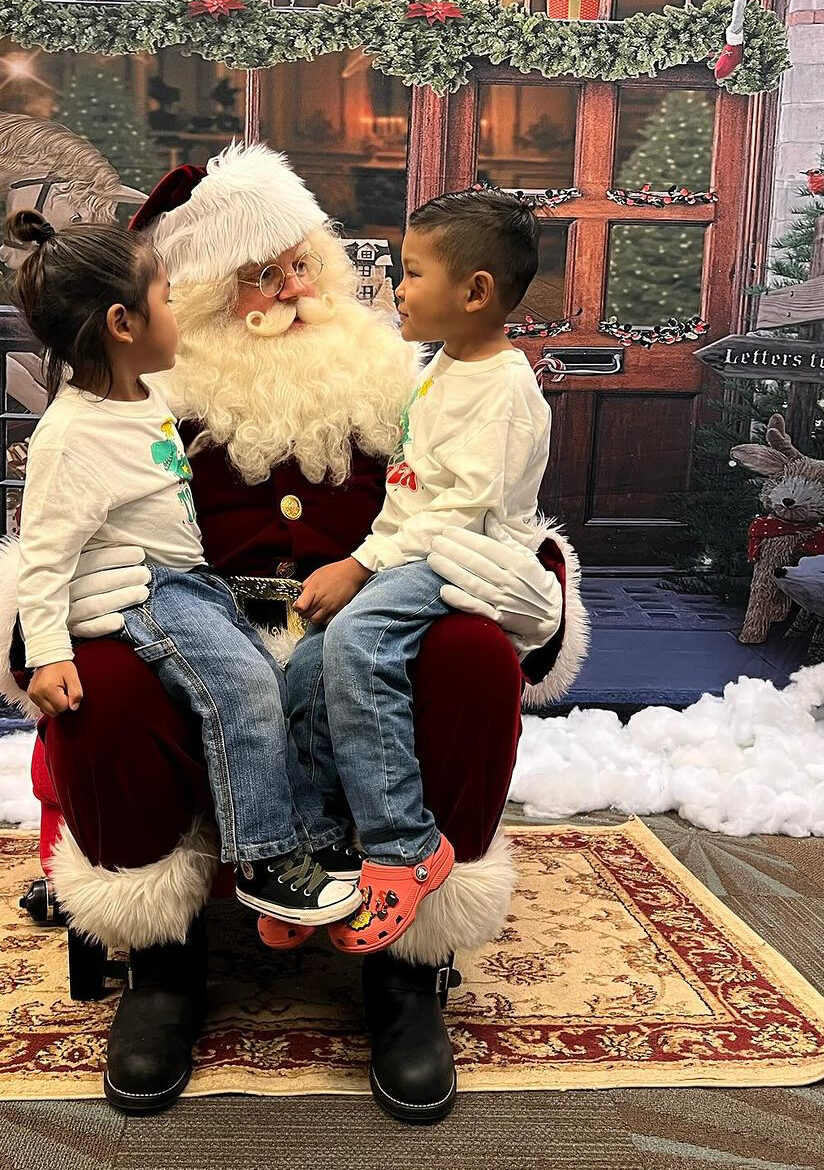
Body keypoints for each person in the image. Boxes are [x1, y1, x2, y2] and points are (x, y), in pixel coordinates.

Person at [0, 143, 589, 1123]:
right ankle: (162, 966)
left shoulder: (404, 380)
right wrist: (37, 627)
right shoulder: (146, 400)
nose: (292, 290)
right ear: (196, 298)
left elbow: (480, 506)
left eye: (301, 263)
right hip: (197, 625)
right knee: (108, 680)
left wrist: (538, 597)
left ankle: (408, 965)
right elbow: (53, 538)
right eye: (259, 277)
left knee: (472, 654)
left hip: (363, 625)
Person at [6, 209, 362, 954]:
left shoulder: (147, 397)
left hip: (196, 586)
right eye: (167, 301)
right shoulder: (72, 436)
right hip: (151, 592)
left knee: (278, 678)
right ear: (122, 324)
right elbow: (41, 555)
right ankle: (265, 860)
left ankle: (313, 837)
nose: (178, 315)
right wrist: (46, 651)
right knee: (244, 687)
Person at [283, 187, 559, 959]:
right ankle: (320, 845)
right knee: (305, 666)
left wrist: (359, 566)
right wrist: (371, 557)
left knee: (359, 641)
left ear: (475, 292)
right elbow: (410, 494)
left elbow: (461, 514)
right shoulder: (443, 366)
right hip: (415, 551)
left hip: (465, 556)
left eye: (411, 273)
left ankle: (404, 847)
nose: (397, 289)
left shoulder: (503, 389)